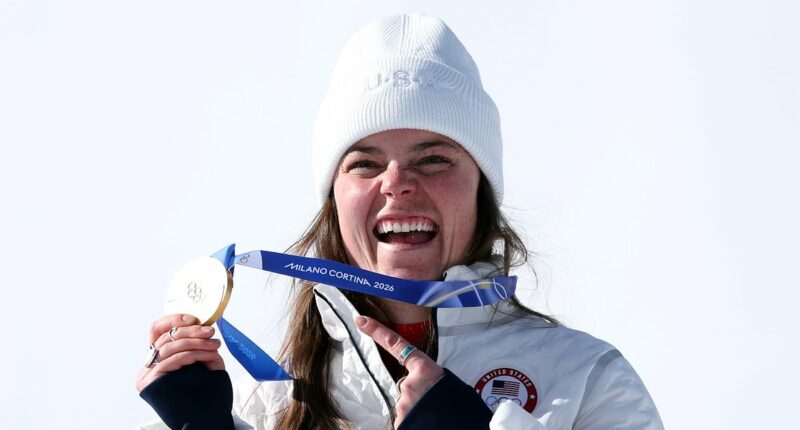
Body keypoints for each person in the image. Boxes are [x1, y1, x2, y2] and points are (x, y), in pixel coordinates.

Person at [136, 13, 664, 430]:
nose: (396, 183)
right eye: (364, 163)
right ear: (334, 200)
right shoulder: (263, 399)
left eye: (433, 158)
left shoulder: (585, 379)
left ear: (481, 188)